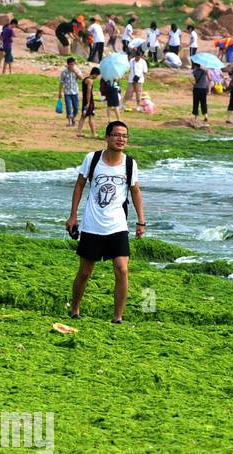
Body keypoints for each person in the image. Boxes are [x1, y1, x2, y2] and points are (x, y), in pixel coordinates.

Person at [65, 121, 145, 325]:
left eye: (125, 136)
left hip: (117, 225)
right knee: (85, 272)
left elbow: (135, 191)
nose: (121, 139)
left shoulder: (130, 164)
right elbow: (79, 185)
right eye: (117, 135)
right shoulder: (92, 159)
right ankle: (74, 309)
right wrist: (73, 216)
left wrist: (141, 222)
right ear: (107, 137)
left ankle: (117, 317)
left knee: (122, 269)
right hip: (92, 224)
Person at [58, 58, 81, 128]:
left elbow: (81, 78)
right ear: (68, 64)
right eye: (71, 64)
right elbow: (61, 83)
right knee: (68, 107)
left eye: (73, 64)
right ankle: (70, 122)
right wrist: (60, 92)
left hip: (75, 92)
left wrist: (75, 72)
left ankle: (73, 118)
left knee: (76, 108)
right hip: (67, 92)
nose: (72, 66)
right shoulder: (64, 72)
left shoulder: (77, 70)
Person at [78, 67, 99, 138]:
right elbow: (88, 92)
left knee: (83, 116)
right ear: (95, 74)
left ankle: (79, 132)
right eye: (97, 75)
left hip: (84, 100)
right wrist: (88, 102)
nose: (97, 77)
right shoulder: (90, 81)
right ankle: (94, 133)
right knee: (91, 116)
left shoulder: (85, 79)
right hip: (89, 101)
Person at [190, 59, 212, 127]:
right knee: (203, 102)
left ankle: (195, 117)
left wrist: (193, 83)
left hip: (196, 88)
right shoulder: (205, 71)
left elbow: (190, 78)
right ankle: (205, 115)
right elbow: (210, 79)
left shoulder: (194, 71)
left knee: (196, 102)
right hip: (203, 89)